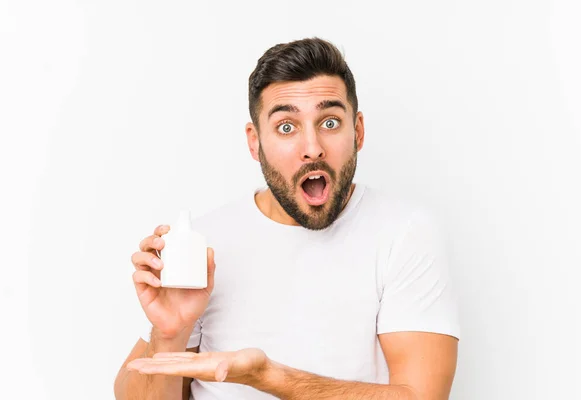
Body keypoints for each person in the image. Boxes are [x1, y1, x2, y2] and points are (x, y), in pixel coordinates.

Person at [114, 37, 460, 400]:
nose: (312, 148)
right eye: (286, 127)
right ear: (254, 142)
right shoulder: (205, 246)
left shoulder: (402, 233)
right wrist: (169, 335)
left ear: (357, 131)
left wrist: (269, 377)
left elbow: (422, 397)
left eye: (329, 122)